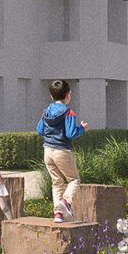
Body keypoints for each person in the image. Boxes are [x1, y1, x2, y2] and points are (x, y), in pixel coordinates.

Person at [37, 80, 88, 221]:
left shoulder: (46, 112)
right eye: (70, 93)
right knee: (74, 180)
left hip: (47, 150)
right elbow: (71, 133)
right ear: (67, 95)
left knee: (56, 182)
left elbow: (40, 130)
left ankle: (58, 214)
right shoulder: (68, 112)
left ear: (51, 95)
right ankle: (65, 202)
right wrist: (83, 128)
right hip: (62, 151)